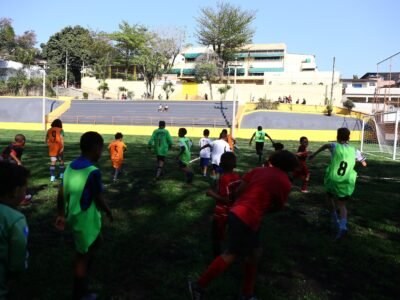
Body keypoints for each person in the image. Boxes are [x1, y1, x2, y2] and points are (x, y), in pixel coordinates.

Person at [189, 150, 299, 300]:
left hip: (237, 212)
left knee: (255, 253)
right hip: (247, 218)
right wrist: (261, 209)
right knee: (232, 254)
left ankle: (246, 293)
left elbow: (240, 191)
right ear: (291, 166)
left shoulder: (257, 170)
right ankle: (198, 286)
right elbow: (278, 207)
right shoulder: (285, 183)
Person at [55, 131, 113, 300]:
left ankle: (84, 274)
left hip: (75, 217)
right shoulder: (93, 171)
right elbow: (98, 197)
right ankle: (79, 294)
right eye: (101, 149)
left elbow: (61, 192)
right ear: (96, 148)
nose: (101, 153)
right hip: (84, 219)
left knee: (96, 243)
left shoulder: (70, 166)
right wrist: (108, 211)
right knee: (83, 256)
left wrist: (61, 214)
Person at [309, 127, 367, 240]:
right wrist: (355, 160)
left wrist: (314, 154)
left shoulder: (334, 146)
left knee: (329, 197)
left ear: (337, 136)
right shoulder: (354, 150)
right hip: (346, 181)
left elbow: (326, 146)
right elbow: (364, 163)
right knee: (342, 205)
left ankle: (335, 220)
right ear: (349, 137)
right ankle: (343, 226)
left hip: (333, 179)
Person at [0, 162, 30, 298]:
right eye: (24, 190)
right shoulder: (14, 219)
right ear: (15, 191)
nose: (25, 194)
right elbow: (17, 261)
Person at [205, 152, 241, 257]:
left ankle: (217, 258)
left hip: (222, 213)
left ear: (220, 164)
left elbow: (226, 199)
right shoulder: (236, 176)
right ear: (234, 165)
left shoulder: (224, 179)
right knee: (230, 234)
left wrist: (211, 194)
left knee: (215, 237)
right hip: (234, 211)